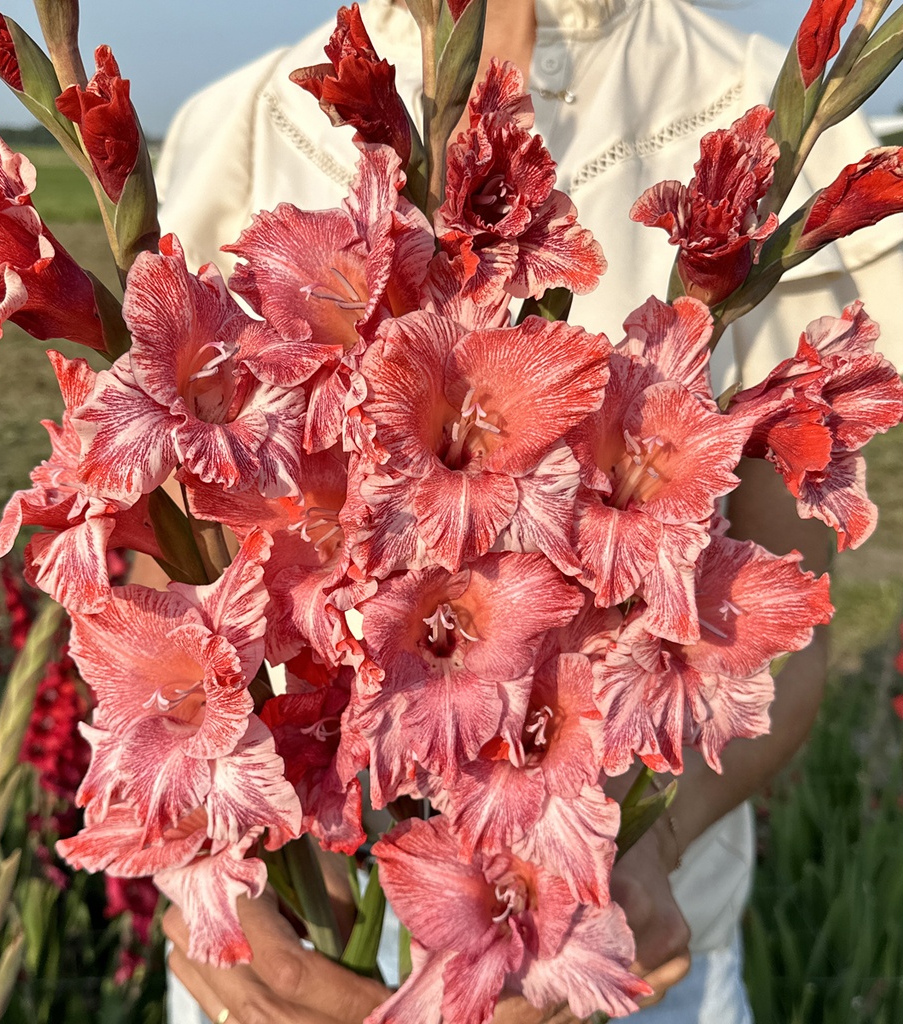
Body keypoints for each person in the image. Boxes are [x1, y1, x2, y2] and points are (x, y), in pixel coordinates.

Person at [151, 1, 903, 1020]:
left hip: (622, 941)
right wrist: (221, 852)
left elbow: (778, 620)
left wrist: (644, 849)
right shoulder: (239, 129)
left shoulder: (746, 119)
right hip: (297, 968)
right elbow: (161, 574)